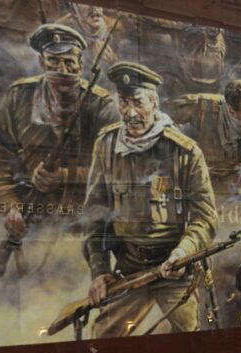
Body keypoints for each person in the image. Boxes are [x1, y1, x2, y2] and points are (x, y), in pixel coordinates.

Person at [84, 61, 218, 338]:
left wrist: (182, 255)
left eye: (138, 102)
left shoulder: (185, 152)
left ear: (154, 102)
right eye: (124, 102)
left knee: (190, 341)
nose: (131, 113)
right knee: (101, 344)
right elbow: (95, 215)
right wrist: (99, 271)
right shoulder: (106, 146)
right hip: (128, 271)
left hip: (174, 272)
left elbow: (205, 218)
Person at [0, 24, 118, 250]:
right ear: (42, 63)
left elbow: (117, 166)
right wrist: (11, 204)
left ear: (80, 65)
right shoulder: (19, 96)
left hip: (85, 216)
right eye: (54, 61)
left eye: (69, 62)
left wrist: (65, 176)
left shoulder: (100, 105)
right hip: (32, 212)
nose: (62, 70)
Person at [166, 79, 241, 205]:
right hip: (206, 182)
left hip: (238, 187)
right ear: (231, 111)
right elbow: (166, 112)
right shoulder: (204, 105)